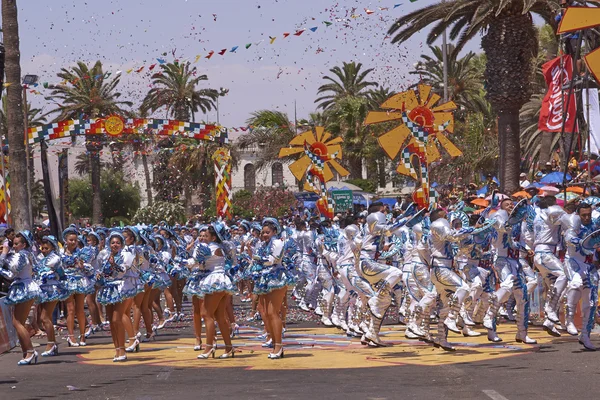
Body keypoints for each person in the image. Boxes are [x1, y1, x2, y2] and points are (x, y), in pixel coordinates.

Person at [251, 218, 295, 359]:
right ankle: (275, 342)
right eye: (263, 232)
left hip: (277, 277)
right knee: (267, 312)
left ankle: (278, 346)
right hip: (266, 278)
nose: (264, 235)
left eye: (267, 232)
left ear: (275, 231)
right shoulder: (264, 244)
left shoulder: (277, 242)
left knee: (273, 312)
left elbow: (273, 259)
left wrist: (258, 259)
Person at [195, 223, 236, 359]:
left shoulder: (209, 248)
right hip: (222, 281)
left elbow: (197, 263)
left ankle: (209, 347)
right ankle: (229, 348)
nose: (203, 238)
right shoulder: (220, 247)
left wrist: (183, 263)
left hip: (214, 281)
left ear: (213, 237)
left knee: (206, 314)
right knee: (220, 317)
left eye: (206, 236)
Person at [0, 231, 42, 365]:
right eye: (13, 243)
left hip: (25, 288)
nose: (14, 246)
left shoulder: (22, 256)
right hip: (24, 287)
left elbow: (12, 273)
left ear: (24, 244)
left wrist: (3, 255)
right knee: (19, 323)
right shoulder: (24, 255)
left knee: (16, 322)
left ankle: (30, 351)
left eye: (17, 244)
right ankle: (27, 352)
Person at [96, 232, 129, 362]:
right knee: (111, 320)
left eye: (118, 243)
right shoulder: (104, 256)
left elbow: (123, 270)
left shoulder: (125, 255)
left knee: (117, 318)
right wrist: (99, 276)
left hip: (121, 288)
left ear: (121, 245)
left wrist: (114, 263)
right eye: (113, 243)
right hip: (107, 289)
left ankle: (122, 349)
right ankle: (117, 349)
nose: (115, 245)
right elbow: (101, 271)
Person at [35, 235, 69, 356]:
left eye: (46, 248)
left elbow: (46, 271)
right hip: (43, 290)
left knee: (45, 317)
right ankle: (52, 343)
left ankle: (51, 344)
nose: (43, 250)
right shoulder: (40, 257)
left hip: (52, 289)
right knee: (44, 317)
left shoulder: (55, 258)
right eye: (42, 248)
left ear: (53, 248)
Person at [61, 227, 95, 347]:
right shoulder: (61, 253)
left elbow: (89, 268)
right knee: (70, 309)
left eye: (75, 240)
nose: (73, 242)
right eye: (71, 240)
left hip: (80, 281)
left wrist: (83, 266)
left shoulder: (81, 253)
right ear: (66, 240)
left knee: (80, 309)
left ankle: (82, 335)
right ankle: (71, 336)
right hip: (68, 283)